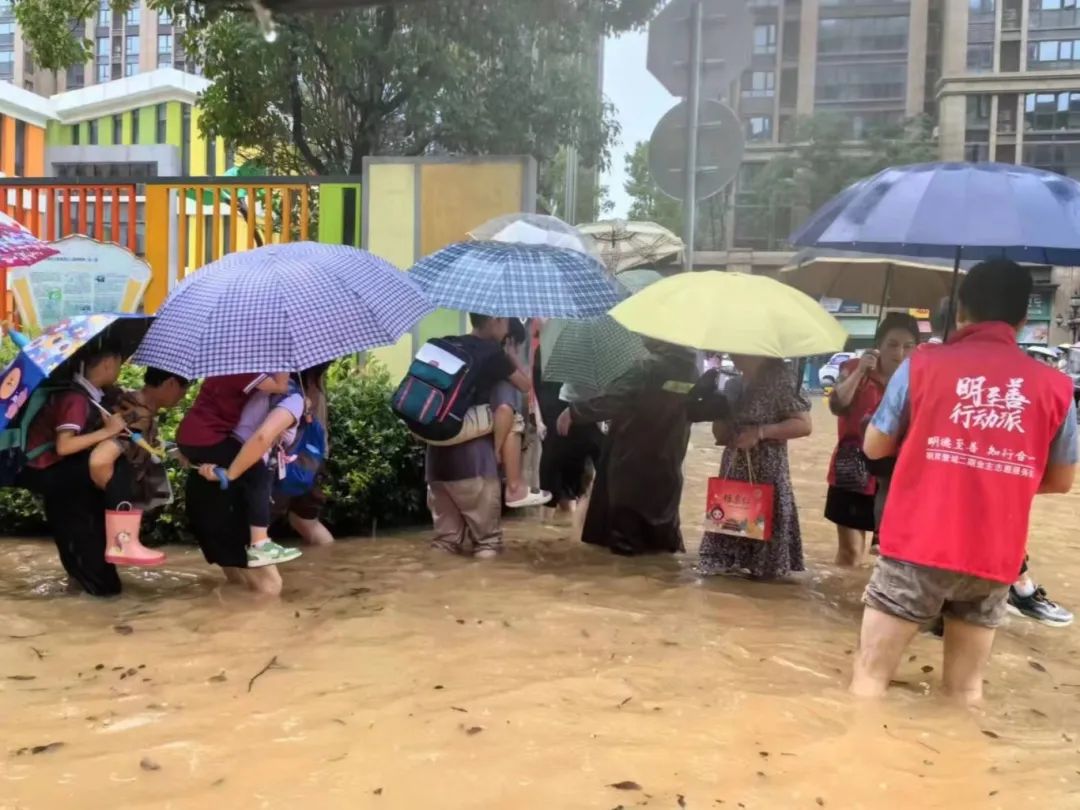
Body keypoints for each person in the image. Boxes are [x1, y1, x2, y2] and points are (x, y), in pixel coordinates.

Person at [852, 259, 1077, 703]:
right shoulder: (1056, 387)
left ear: (960, 313)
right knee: (964, 690)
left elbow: (874, 447)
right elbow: (1062, 480)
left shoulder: (921, 366)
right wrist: (996, 474)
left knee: (871, 678)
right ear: (1022, 318)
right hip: (995, 557)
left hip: (917, 547)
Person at [556, 340, 729, 556]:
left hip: (631, 459)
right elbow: (696, 410)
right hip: (669, 458)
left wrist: (574, 412)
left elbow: (614, 399)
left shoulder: (645, 367)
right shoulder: (691, 368)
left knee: (625, 538)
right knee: (663, 534)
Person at [426, 315, 550, 559]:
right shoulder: (494, 358)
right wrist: (511, 355)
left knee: (445, 543)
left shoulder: (449, 344)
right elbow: (520, 391)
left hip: (436, 465)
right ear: (496, 320)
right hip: (474, 466)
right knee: (488, 545)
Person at [18, 344, 129, 595]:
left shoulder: (89, 395)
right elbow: (65, 446)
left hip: (62, 479)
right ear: (108, 363)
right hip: (57, 476)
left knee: (79, 544)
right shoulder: (75, 398)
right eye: (119, 364)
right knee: (87, 548)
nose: (120, 371)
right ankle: (102, 597)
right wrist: (107, 432)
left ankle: (80, 590)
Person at [697, 356, 812, 580]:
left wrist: (760, 432)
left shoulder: (781, 377)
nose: (733, 354)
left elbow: (804, 425)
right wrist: (713, 408)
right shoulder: (732, 384)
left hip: (767, 471)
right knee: (721, 567)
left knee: (765, 567)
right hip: (733, 471)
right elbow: (720, 435)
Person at [188, 384, 309, 595]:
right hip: (233, 488)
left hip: (202, 483)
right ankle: (255, 627)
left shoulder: (238, 386)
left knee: (236, 578)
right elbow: (262, 437)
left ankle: (226, 626)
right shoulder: (291, 399)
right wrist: (232, 473)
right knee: (269, 585)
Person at [825, 314, 919, 567]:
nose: (899, 353)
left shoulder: (920, 378)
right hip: (853, 472)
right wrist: (860, 373)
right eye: (892, 344)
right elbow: (836, 405)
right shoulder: (855, 367)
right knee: (850, 553)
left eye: (908, 346)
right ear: (879, 345)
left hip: (896, 476)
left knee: (892, 557)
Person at [177, 372, 297, 567]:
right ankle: (260, 543)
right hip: (207, 438)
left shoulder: (219, 367)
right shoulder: (244, 370)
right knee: (256, 469)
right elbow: (280, 386)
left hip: (190, 437)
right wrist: (284, 363)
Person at [88, 367, 192, 564]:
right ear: (170, 383)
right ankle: (122, 545)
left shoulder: (134, 404)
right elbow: (99, 460)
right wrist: (114, 492)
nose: (184, 395)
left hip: (98, 508)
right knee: (100, 582)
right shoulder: (136, 414)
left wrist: (174, 452)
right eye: (184, 388)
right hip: (97, 507)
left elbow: (145, 446)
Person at [272, 363, 334, 546]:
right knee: (305, 521)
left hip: (290, 464)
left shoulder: (293, 391)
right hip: (314, 462)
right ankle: (327, 565)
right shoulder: (316, 386)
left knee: (255, 527)